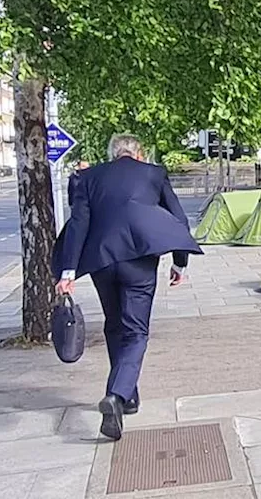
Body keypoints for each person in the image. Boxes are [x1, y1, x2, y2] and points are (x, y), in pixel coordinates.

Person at [53, 134, 202, 441]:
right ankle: (117, 394)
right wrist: (180, 262)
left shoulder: (88, 177)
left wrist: (68, 271)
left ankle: (127, 396)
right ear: (140, 153)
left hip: (102, 261)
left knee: (114, 325)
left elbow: (78, 223)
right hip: (139, 261)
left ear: (113, 153)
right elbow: (178, 219)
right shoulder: (154, 174)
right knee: (135, 331)